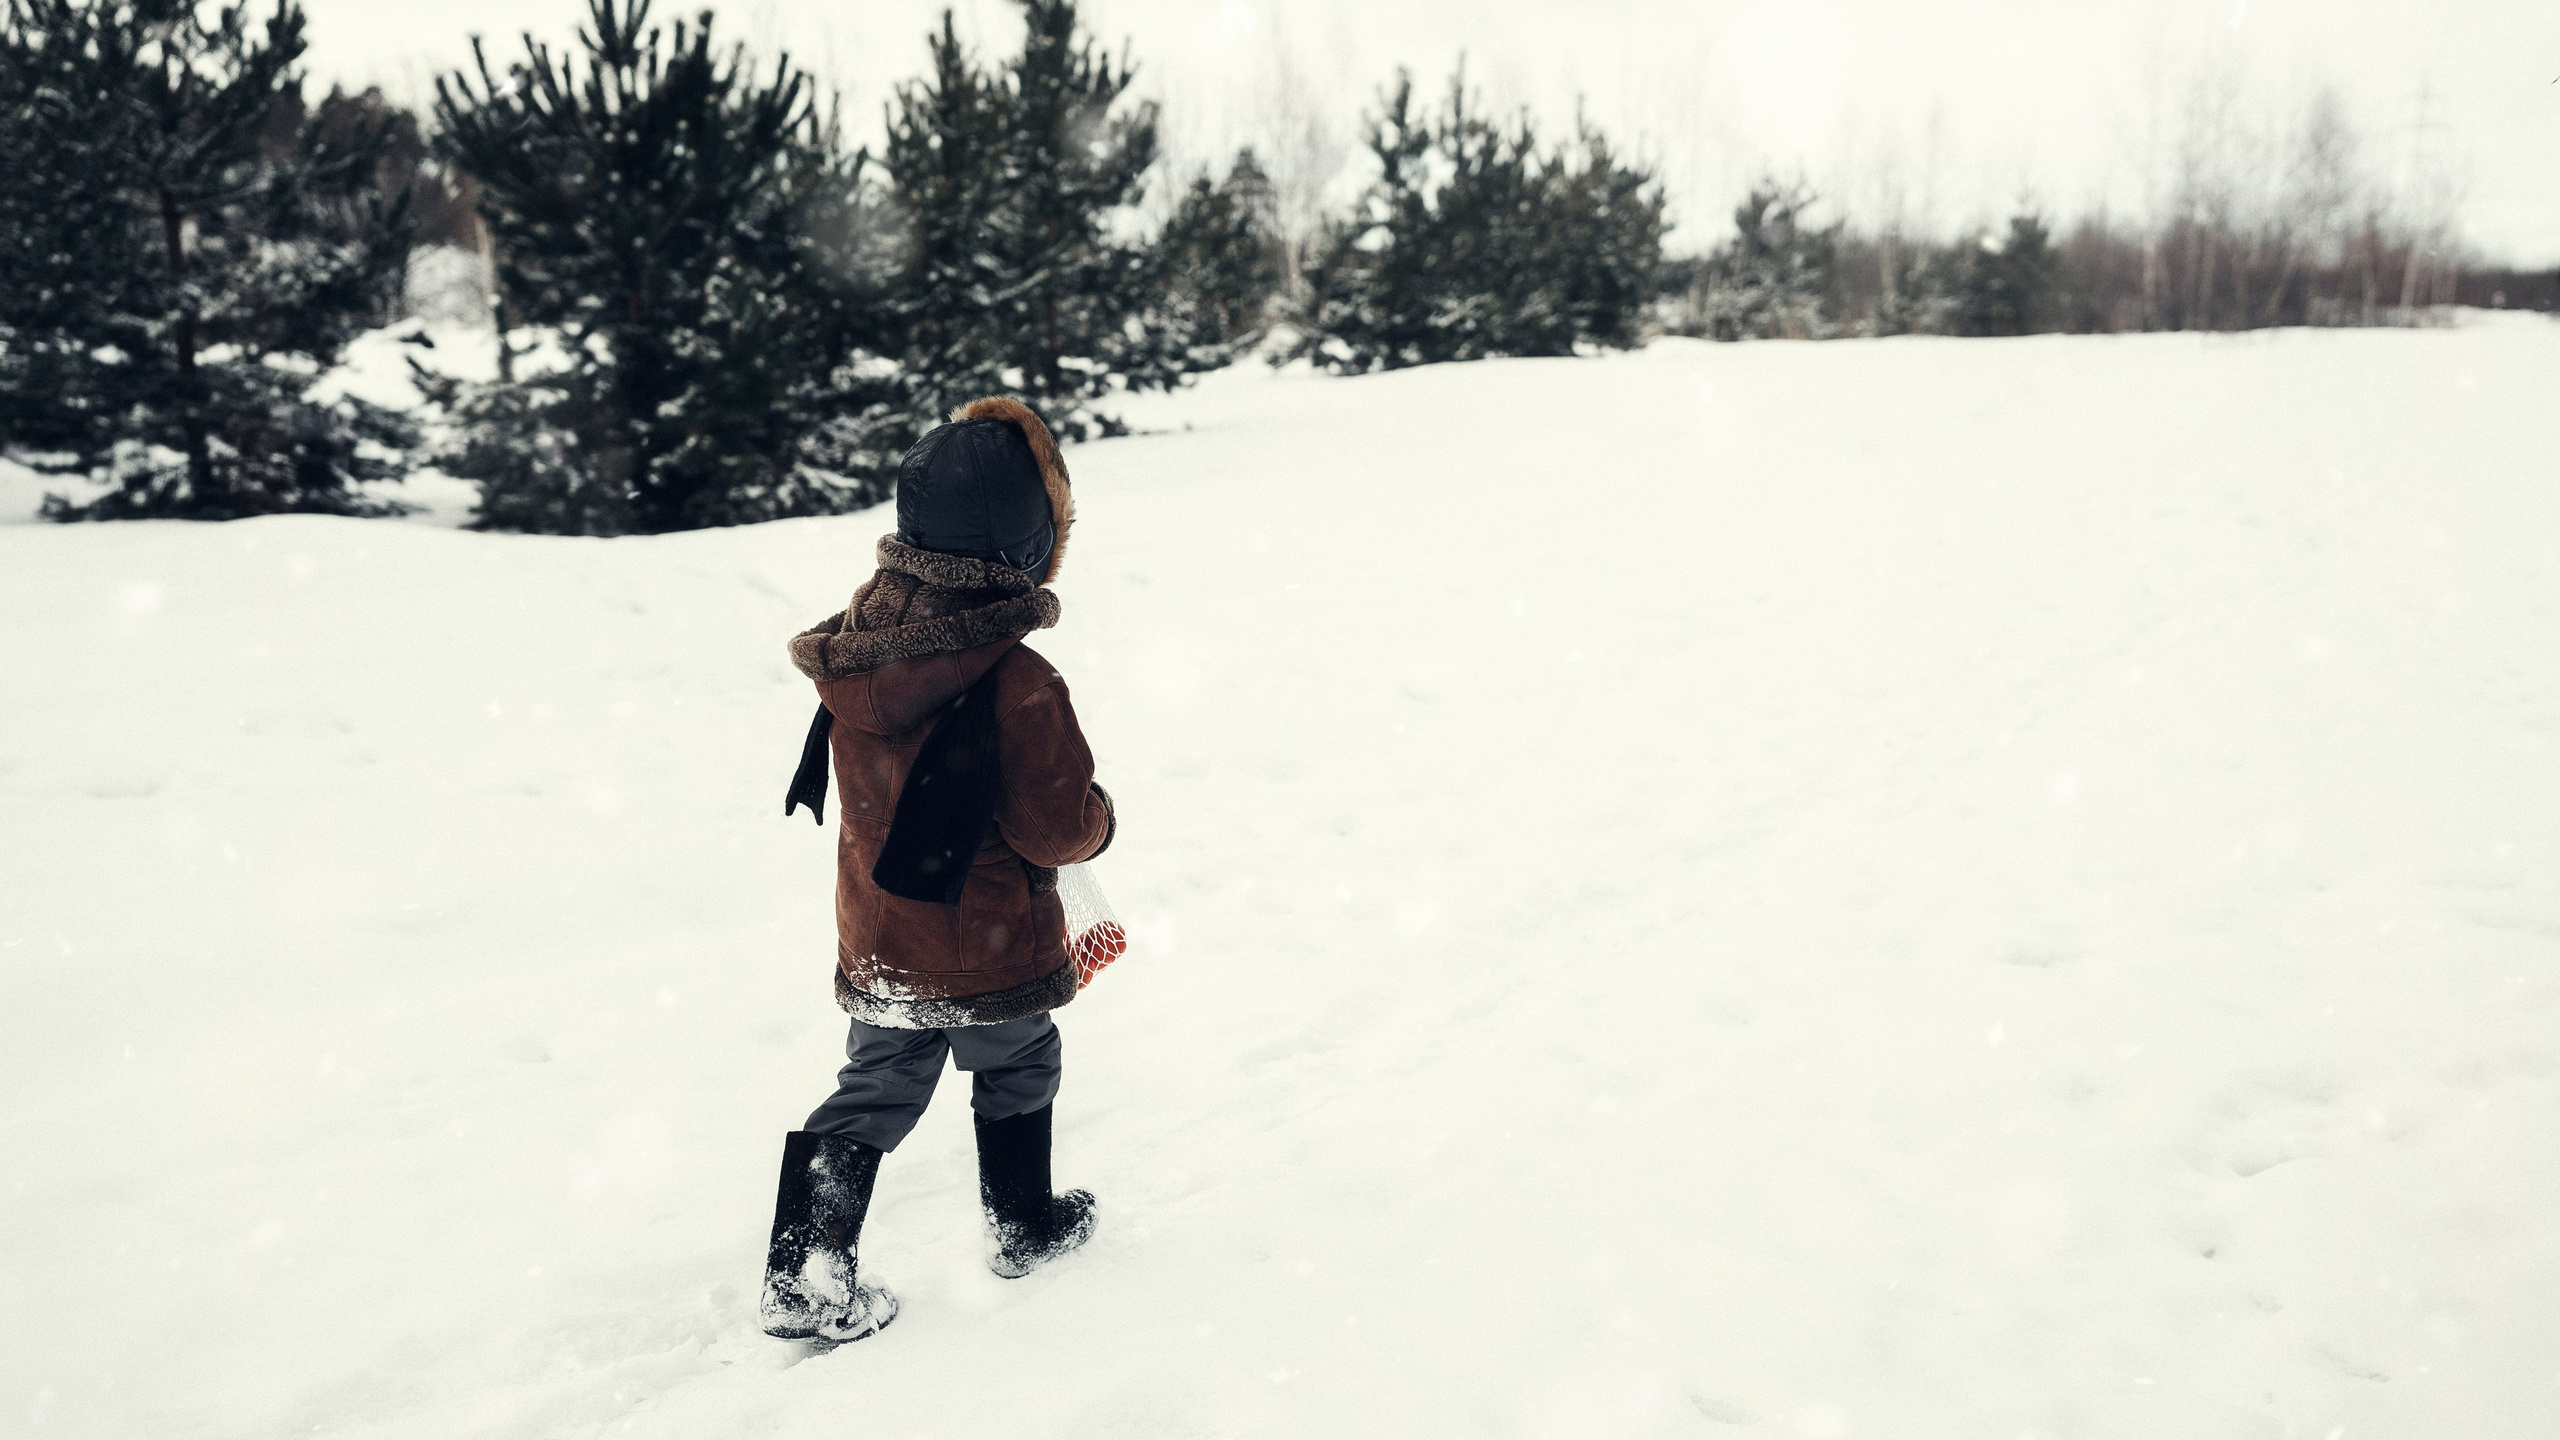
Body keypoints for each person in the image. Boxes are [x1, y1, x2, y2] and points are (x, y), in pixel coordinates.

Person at [758, 396, 1117, 1343]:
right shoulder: (1016, 680)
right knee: (1021, 1060)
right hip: (983, 937)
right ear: (1032, 545)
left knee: (876, 1085)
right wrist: (1099, 823)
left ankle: (804, 1273)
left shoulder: (864, 653)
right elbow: (1052, 829)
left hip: (882, 929)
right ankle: (1026, 1225)